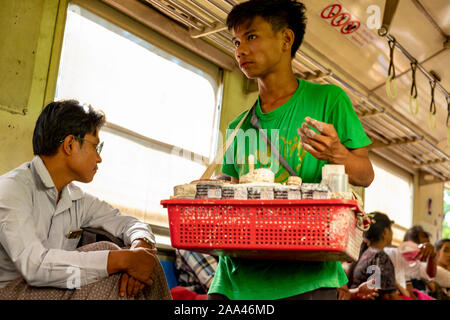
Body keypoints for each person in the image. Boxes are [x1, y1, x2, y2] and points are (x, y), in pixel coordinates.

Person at [208, 0, 374, 300]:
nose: (240, 50)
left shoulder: (328, 100)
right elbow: (232, 189)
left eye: (251, 37)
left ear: (286, 39)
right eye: (236, 41)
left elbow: (365, 174)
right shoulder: (239, 126)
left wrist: (338, 154)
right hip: (234, 282)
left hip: (306, 281)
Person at [0, 100, 171, 300]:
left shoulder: (75, 197)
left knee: (145, 261)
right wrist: (121, 259)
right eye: (95, 146)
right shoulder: (12, 188)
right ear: (70, 144)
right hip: (10, 291)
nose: (99, 158)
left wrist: (141, 245)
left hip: (52, 287)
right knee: (111, 259)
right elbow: (35, 266)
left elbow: (128, 223)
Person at [347, 212, 402, 300]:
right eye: (390, 229)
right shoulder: (380, 257)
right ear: (385, 231)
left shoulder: (366, 253)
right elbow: (389, 296)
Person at [384, 225, 437, 299]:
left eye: (427, 250)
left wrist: (432, 257)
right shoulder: (389, 254)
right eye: (419, 246)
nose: (422, 251)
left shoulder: (416, 263)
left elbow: (431, 275)